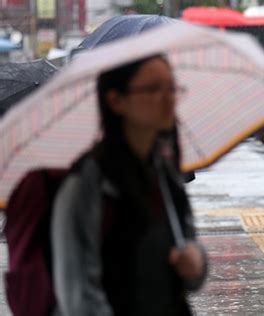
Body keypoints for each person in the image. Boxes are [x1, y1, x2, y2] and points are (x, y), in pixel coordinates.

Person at [51, 55, 207, 315]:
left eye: (172, 88)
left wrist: (196, 261)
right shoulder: (85, 184)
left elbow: (191, 260)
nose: (168, 98)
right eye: (154, 89)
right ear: (116, 101)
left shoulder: (165, 173)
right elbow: (78, 298)